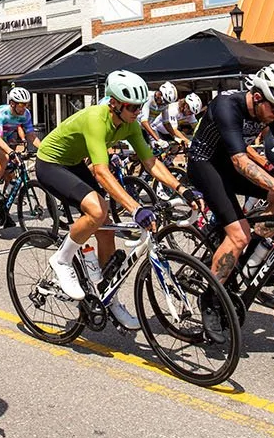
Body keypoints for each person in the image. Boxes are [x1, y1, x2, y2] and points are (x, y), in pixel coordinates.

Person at [33, 70, 200, 329]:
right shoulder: (95, 119)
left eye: (140, 106)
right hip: (50, 163)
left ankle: (107, 298)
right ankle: (62, 259)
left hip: (74, 163)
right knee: (97, 212)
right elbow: (101, 171)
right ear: (114, 103)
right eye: (132, 106)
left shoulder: (131, 124)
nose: (137, 111)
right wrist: (135, 208)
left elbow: (150, 162)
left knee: (106, 229)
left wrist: (182, 189)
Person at [185, 66, 274, 293]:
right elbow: (240, 161)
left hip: (230, 168)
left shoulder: (269, 110)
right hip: (205, 165)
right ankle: (211, 298)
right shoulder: (227, 106)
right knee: (239, 235)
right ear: (257, 97)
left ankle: (249, 259)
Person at [0, 87, 40, 192]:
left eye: (27, 104)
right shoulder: (0, 114)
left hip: (4, 138)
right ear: (12, 103)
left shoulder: (26, 114)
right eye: (21, 104)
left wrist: (44, 149)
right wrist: (10, 152)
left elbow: (31, 136)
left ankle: (6, 195)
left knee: (13, 166)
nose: (24, 108)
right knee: (5, 157)